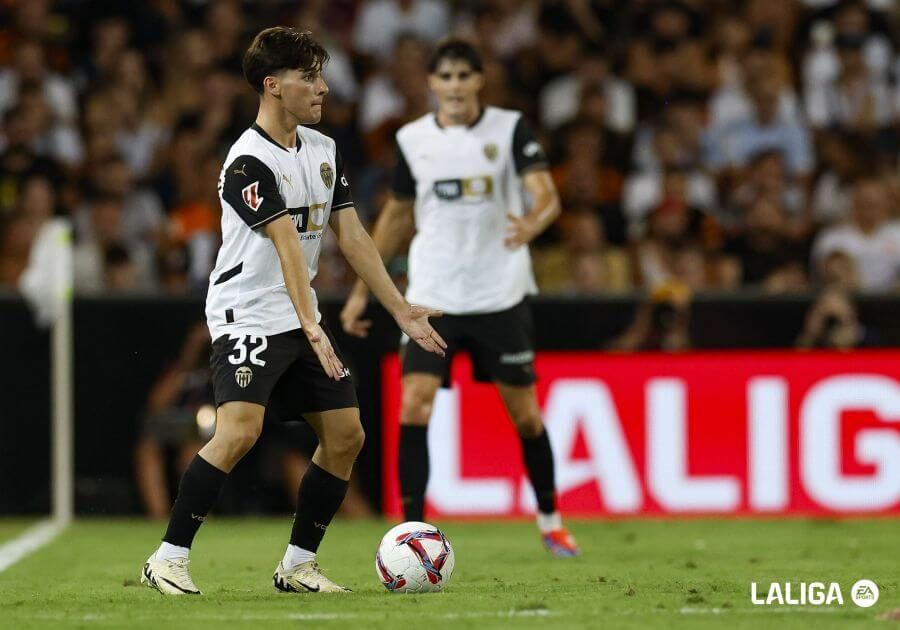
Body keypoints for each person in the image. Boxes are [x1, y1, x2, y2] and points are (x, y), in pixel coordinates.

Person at [141, 27, 446, 596]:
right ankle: (167, 557)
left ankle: (298, 565)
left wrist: (401, 309)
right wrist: (312, 325)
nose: (323, 88)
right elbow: (285, 245)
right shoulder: (246, 163)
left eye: (321, 75)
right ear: (273, 85)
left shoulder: (324, 150)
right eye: (310, 76)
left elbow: (352, 236)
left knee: (346, 434)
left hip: (298, 313)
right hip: (248, 314)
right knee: (239, 430)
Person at [340, 38, 580, 557]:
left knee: (525, 416)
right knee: (414, 403)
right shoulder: (412, 139)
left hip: (499, 292)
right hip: (434, 294)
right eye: (443, 77)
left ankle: (551, 519)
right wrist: (363, 290)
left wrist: (533, 222)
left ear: (479, 80)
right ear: (431, 83)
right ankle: (410, 535)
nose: (452, 86)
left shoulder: (509, 129)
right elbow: (396, 217)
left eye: (462, 76)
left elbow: (547, 196)